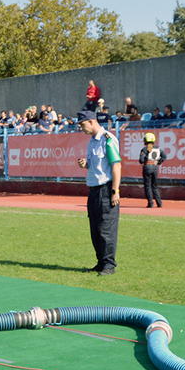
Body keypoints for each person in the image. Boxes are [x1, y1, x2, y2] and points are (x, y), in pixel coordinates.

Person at [76, 110, 121, 276]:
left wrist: (115, 191)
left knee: (106, 230)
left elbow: (116, 165)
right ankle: (101, 262)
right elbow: (98, 166)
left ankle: (109, 265)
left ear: (91, 121)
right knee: (95, 229)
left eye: (82, 124)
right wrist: (86, 164)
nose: (81, 128)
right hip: (93, 190)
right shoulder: (91, 142)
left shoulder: (107, 139)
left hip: (106, 189)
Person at [139, 132, 167, 208]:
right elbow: (164, 156)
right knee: (154, 186)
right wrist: (158, 162)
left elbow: (141, 160)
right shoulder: (158, 149)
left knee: (147, 186)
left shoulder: (144, 149)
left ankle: (150, 203)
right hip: (155, 167)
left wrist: (144, 158)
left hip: (147, 167)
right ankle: (159, 203)